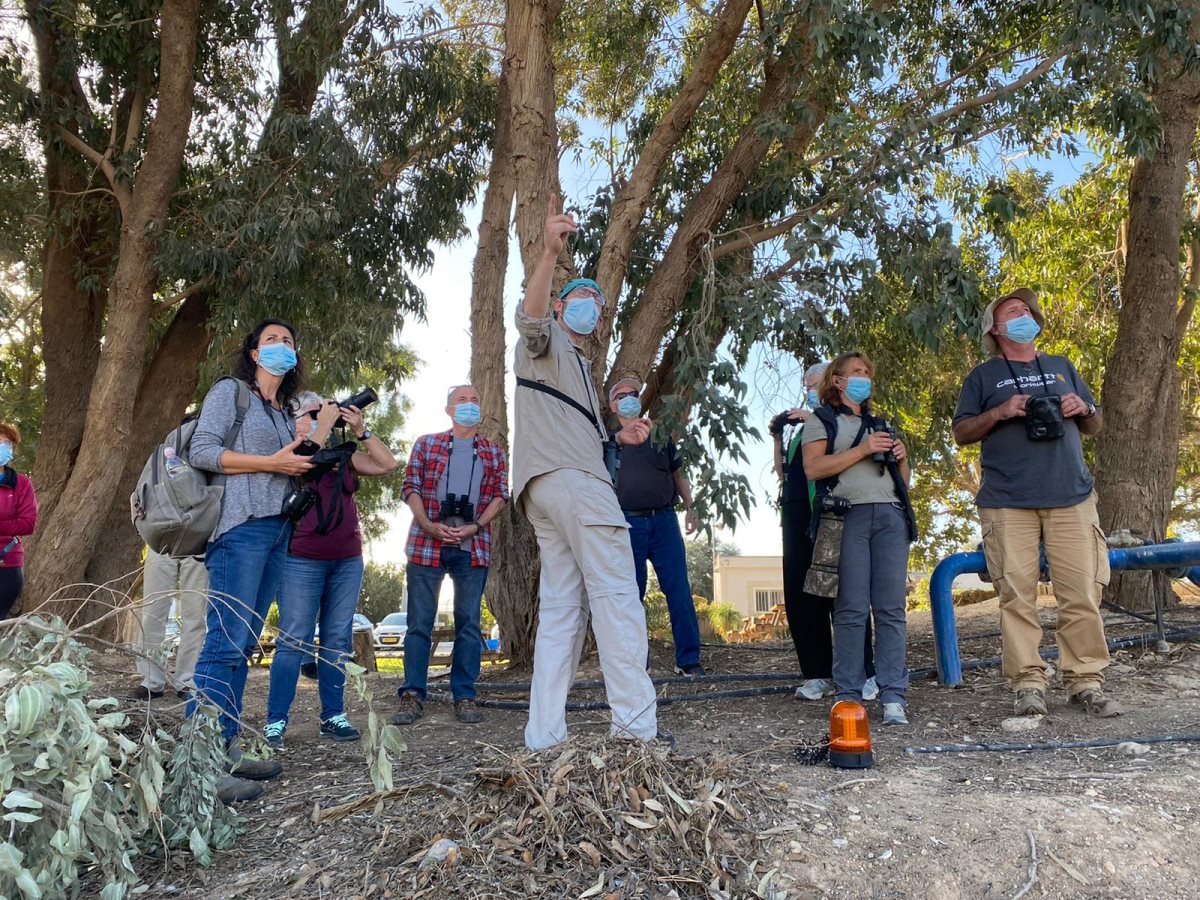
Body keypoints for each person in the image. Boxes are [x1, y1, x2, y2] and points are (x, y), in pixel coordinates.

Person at [513, 197, 661, 751]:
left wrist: (614, 438)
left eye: (596, 303)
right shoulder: (545, 342)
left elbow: (574, 428)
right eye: (579, 299)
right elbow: (528, 318)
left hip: (545, 488)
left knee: (561, 613)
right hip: (577, 486)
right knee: (618, 596)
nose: (590, 307)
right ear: (558, 307)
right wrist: (550, 253)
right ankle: (637, 730)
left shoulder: (577, 367)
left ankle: (544, 739)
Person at [952, 288, 1120, 718]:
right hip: (1007, 501)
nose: (1024, 313)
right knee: (1017, 598)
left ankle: (1086, 681)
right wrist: (1002, 411)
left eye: (1027, 309)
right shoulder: (983, 376)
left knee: (1082, 593)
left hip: (1072, 496)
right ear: (995, 327)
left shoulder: (1062, 366)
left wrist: (1082, 405)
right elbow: (963, 432)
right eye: (1013, 310)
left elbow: (1095, 425)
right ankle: (1028, 682)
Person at [188, 318, 316, 800]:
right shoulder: (231, 393)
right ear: (253, 352)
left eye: (288, 341)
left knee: (242, 645)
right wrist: (272, 463)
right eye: (271, 340)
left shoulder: (285, 412)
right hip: (237, 528)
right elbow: (203, 450)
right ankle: (199, 765)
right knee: (223, 642)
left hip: (277, 530)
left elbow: (291, 463)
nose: (282, 347)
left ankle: (226, 746)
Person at [264, 391, 397, 747]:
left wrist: (361, 431)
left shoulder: (344, 457)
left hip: (347, 559)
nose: (324, 417)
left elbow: (387, 465)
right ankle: (276, 720)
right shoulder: (290, 455)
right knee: (293, 639)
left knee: (337, 641)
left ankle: (333, 715)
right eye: (313, 412)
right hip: (300, 559)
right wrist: (318, 428)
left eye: (325, 412)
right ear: (294, 421)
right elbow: (304, 459)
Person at [802, 352, 916, 725]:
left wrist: (900, 458)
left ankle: (893, 695)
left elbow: (902, 482)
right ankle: (849, 694)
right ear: (837, 380)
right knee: (851, 608)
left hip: (889, 517)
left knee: (891, 608)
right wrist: (863, 449)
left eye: (867, 371)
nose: (864, 377)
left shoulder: (880, 423)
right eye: (856, 372)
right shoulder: (821, 421)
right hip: (846, 516)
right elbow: (814, 467)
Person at [393, 385, 509, 726]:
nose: (469, 405)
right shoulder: (427, 443)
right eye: (462, 400)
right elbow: (410, 487)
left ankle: (465, 695)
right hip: (426, 544)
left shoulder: (492, 451)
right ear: (448, 409)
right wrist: (428, 524)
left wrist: (475, 525)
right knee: (419, 623)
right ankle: (412, 695)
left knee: (470, 624)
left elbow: (501, 495)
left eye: (475, 399)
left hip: (473, 546)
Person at [771, 363, 877, 702]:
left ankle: (863, 671)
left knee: (842, 589)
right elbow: (784, 471)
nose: (810, 390)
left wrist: (813, 418)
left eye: (816, 384)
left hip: (832, 510)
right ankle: (816, 673)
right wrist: (777, 436)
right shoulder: (800, 430)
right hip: (796, 510)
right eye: (807, 385)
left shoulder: (841, 423)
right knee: (802, 591)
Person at [608, 377, 705, 676]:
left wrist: (691, 506)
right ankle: (638, 665)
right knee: (630, 596)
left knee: (678, 590)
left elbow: (678, 474)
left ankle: (689, 661)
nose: (628, 399)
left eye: (633, 394)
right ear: (613, 406)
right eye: (621, 395)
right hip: (627, 523)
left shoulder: (660, 436)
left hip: (664, 521)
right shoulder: (608, 442)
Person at [129, 548, 207, 700]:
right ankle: (151, 681)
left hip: (202, 537)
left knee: (195, 614)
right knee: (152, 611)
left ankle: (187, 680)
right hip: (161, 535)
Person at [0, 423, 37, 619]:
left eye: (7, 444)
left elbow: (28, 523)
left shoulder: (22, 484)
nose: (4, 447)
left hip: (7, 563)